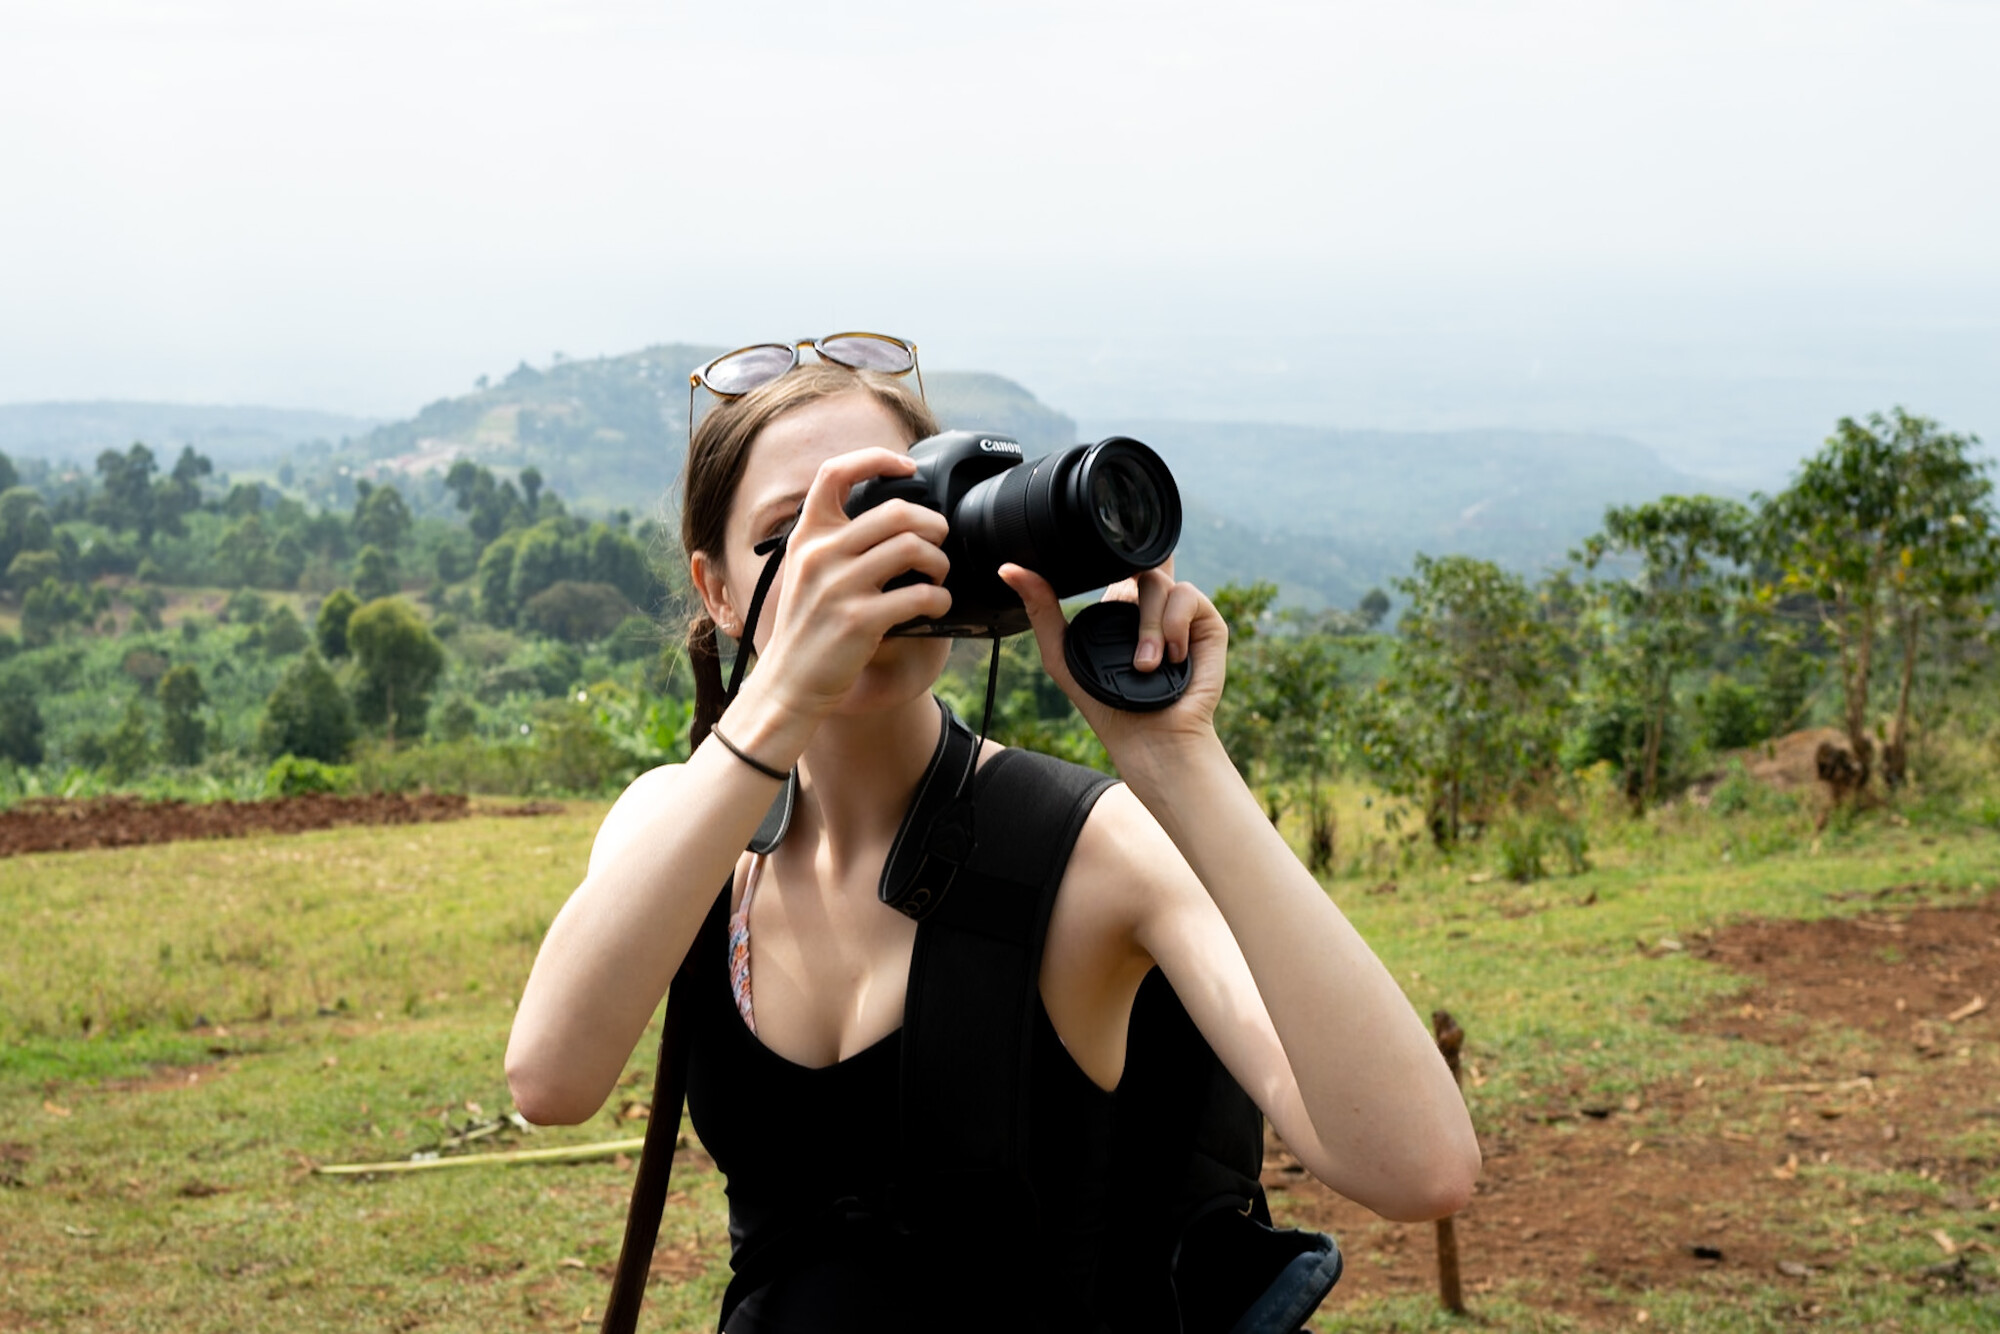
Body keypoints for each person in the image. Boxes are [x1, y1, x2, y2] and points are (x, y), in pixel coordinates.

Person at [506, 345, 1481, 1333]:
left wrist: (1177, 760)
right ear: (714, 591)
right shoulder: (677, 829)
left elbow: (1418, 1164)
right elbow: (550, 1078)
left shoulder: (1092, 849)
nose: (851, 570)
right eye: (786, 542)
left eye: (888, 519)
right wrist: (777, 701)